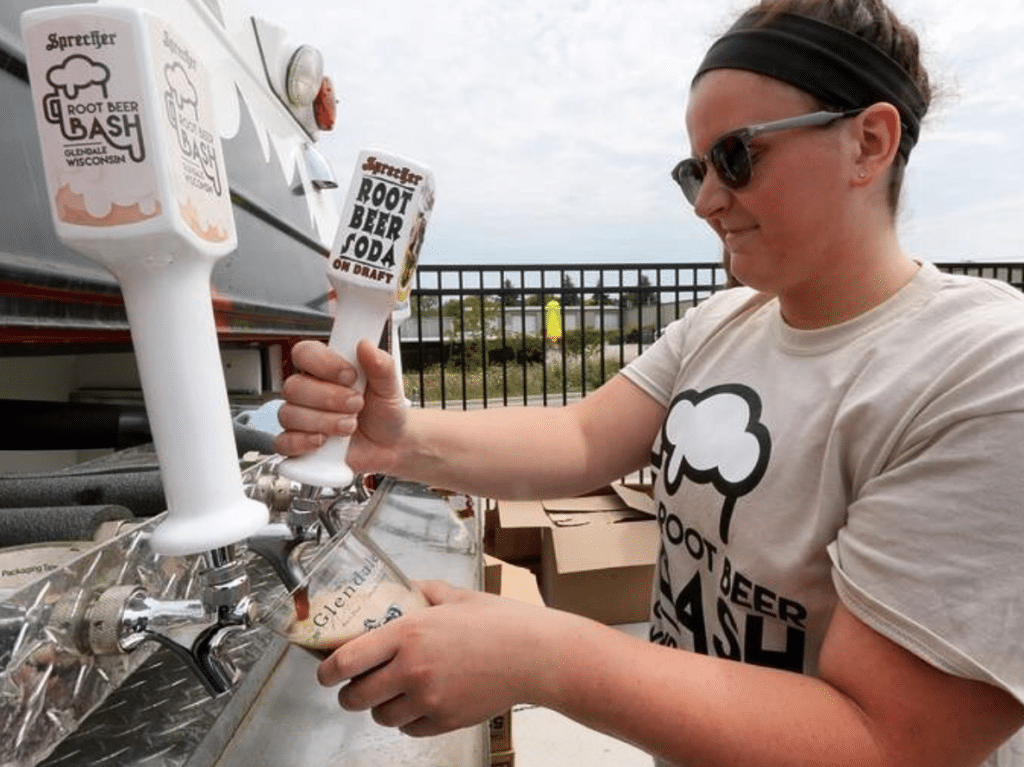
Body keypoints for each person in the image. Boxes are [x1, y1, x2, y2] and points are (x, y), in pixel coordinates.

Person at [274, 0, 1024, 764]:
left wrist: (546, 657)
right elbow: (581, 437)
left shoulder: (983, 372)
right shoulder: (723, 323)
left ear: (869, 141)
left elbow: (888, 739)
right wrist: (398, 436)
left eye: (736, 156)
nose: (705, 201)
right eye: (693, 170)